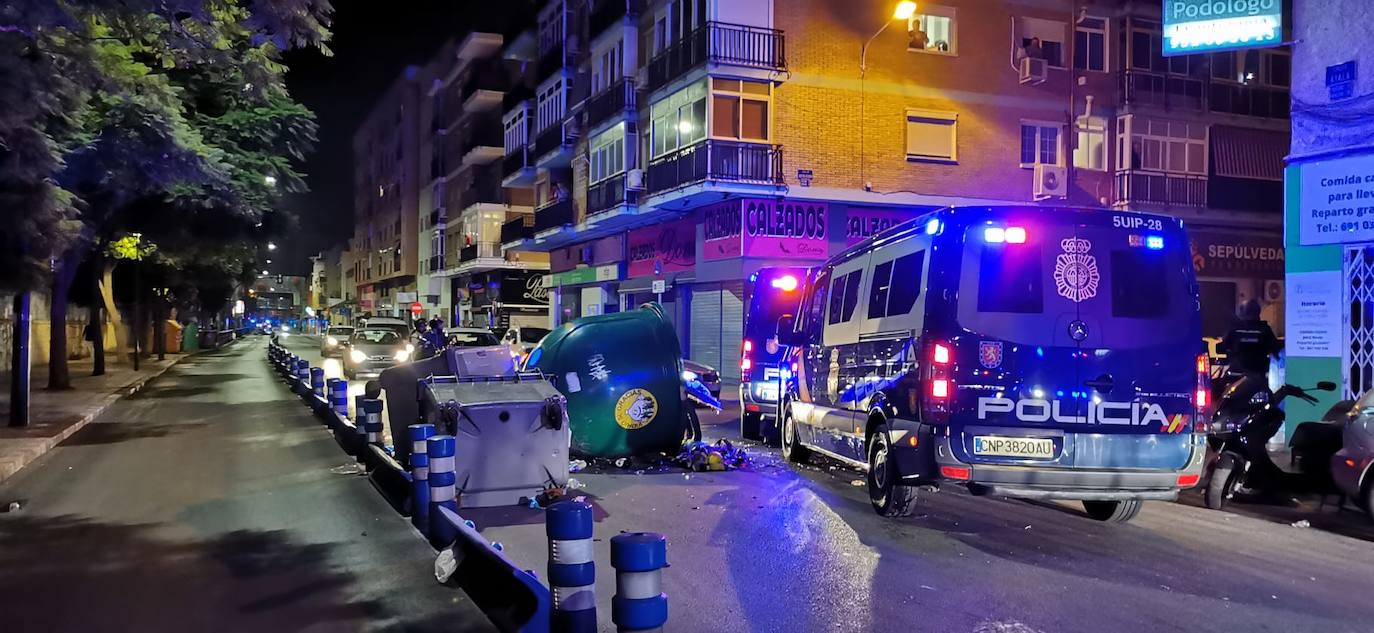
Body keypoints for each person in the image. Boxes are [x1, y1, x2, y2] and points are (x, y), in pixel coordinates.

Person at [1218, 299, 1282, 377]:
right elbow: (1275, 347)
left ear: (1243, 313)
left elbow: (1222, 347)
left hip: (1236, 373)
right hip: (1258, 374)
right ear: (1258, 312)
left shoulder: (1235, 329)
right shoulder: (1264, 329)